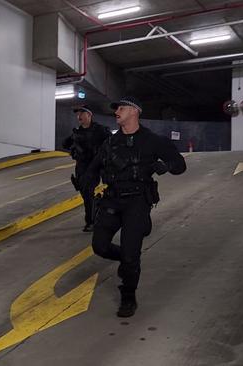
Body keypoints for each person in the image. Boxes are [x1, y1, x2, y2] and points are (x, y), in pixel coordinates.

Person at [82, 96, 186, 318]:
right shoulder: (110, 142)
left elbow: (180, 166)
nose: (116, 112)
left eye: (121, 108)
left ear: (135, 111)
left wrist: (165, 165)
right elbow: (93, 168)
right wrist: (87, 186)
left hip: (137, 203)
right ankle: (128, 258)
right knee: (99, 246)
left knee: (131, 254)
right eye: (116, 109)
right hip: (111, 200)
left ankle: (128, 295)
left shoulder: (152, 141)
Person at [62, 105, 111, 232]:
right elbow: (65, 144)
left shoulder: (100, 130)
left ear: (89, 115)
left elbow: (111, 142)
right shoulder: (77, 132)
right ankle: (96, 211)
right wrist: (73, 143)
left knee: (88, 193)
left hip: (94, 166)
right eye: (78, 114)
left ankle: (91, 221)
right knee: (85, 194)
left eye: (82, 113)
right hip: (81, 167)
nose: (79, 116)